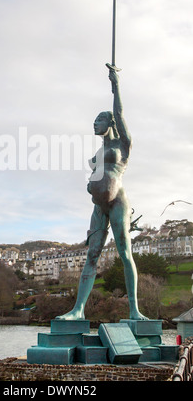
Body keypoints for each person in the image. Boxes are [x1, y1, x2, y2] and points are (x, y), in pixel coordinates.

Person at [56, 69, 148, 321]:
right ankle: (78, 310)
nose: (94, 123)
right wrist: (90, 186)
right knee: (92, 254)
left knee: (124, 252)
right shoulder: (97, 154)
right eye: (94, 120)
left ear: (110, 124)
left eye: (99, 119)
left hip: (118, 202)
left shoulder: (122, 145)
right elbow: (96, 178)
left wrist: (115, 86)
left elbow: (120, 112)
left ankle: (134, 310)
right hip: (98, 207)